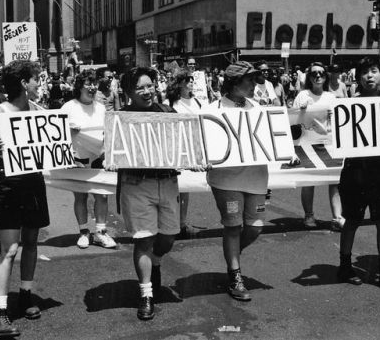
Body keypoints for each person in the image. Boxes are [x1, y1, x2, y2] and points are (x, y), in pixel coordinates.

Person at [114, 67, 205, 321]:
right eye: (139, 88)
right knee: (143, 239)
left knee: (168, 238)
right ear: (129, 92)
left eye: (150, 85)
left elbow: (181, 144)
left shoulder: (167, 112)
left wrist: (191, 159)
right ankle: (145, 294)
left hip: (166, 183)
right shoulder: (120, 117)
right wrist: (111, 157)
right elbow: (112, 148)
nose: (147, 91)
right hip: (137, 186)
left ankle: (155, 261)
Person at [0, 60, 50, 337]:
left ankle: (27, 295)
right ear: (23, 83)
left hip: (33, 182)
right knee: (9, 248)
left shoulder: (36, 110)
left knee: (31, 241)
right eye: (35, 79)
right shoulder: (1, 112)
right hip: (8, 184)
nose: (38, 83)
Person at [337, 56, 380, 295]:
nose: (369, 76)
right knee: (352, 221)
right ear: (358, 77)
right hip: (355, 173)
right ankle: (344, 266)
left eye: (373, 71)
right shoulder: (347, 106)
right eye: (364, 72)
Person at [207, 61, 267, 301]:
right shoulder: (212, 111)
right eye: (249, 80)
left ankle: (232, 255)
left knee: (255, 227)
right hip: (226, 179)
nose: (254, 85)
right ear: (233, 83)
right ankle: (235, 274)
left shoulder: (260, 110)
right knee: (232, 226)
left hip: (256, 177)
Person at [61, 70, 116, 249]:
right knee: (80, 196)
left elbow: (108, 132)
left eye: (94, 84)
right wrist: (69, 132)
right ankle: (84, 231)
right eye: (88, 83)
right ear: (79, 86)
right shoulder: (68, 107)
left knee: (102, 195)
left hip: (99, 156)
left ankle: (100, 232)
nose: (92, 87)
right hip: (78, 158)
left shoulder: (100, 107)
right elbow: (57, 135)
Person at [292, 62, 344, 230]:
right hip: (307, 144)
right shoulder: (302, 95)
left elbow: (337, 122)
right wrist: (301, 110)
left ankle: (337, 217)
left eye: (321, 73)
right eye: (314, 73)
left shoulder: (331, 97)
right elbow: (293, 123)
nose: (318, 76)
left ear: (325, 76)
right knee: (309, 181)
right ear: (309, 77)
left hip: (328, 144)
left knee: (334, 181)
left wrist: (333, 116)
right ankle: (309, 215)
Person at [167, 70, 204, 238]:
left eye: (192, 80)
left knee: (186, 188)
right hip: (175, 148)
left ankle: (182, 223)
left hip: (192, 148)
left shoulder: (197, 101)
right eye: (187, 79)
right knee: (173, 187)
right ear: (180, 83)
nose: (191, 82)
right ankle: (170, 223)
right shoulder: (170, 102)